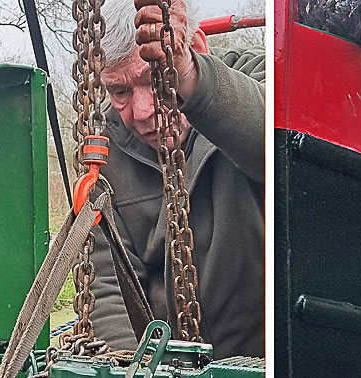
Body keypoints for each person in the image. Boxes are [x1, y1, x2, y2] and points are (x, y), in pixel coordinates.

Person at [89, 0, 265, 359]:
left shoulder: (257, 77)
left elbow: (274, 147)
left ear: (196, 48)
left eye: (154, 79)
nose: (141, 111)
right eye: (120, 92)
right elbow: (107, 288)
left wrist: (190, 78)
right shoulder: (104, 153)